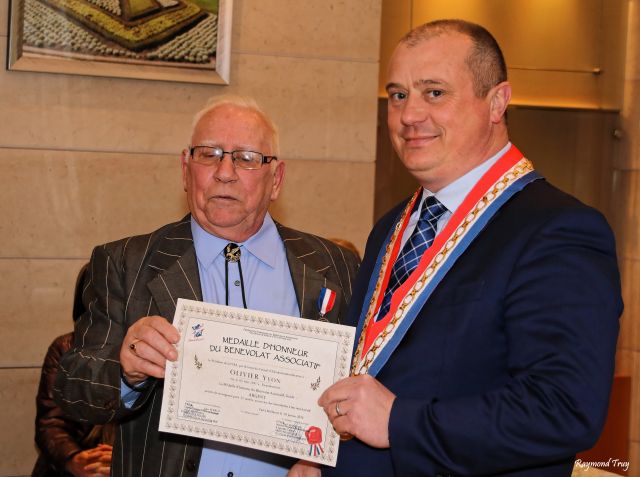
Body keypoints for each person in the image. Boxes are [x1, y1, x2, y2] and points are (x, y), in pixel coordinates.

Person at [317, 19, 623, 477]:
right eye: (398, 94)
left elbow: (563, 408)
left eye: (434, 92)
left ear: (497, 101)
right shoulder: (392, 226)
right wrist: (317, 454)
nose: (409, 115)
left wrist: (401, 421)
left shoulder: (559, 229)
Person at [53, 95, 360, 477]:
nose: (225, 172)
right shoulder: (126, 263)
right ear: (185, 169)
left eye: (247, 157)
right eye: (209, 154)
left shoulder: (334, 265)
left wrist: (324, 460)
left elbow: (365, 389)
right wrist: (125, 368)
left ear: (276, 178)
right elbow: (72, 389)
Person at [33, 265, 114, 477]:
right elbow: (50, 423)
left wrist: (124, 458)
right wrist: (75, 459)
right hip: (76, 461)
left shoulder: (148, 348)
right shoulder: (65, 347)